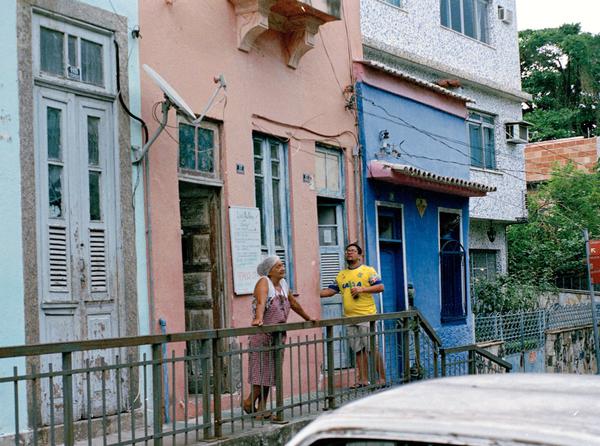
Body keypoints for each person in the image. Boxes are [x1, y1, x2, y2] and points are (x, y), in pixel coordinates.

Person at [243, 255, 314, 420]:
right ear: (269, 271)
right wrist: (258, 318)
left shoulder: (283, 284)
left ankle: (262, 409)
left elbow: (293, 303)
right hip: (263, 335)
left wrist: (308, 317)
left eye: (282, 265)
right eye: (278, 266)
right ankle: (248, 402)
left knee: (271, 373)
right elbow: (261, 302)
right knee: (261, 372)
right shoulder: (264, 282)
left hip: (278, 335)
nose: (282, 268)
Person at [320, 243, 386, 388]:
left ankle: (382, 379)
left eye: (353, 251)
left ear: (360, 255)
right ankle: (363, 380)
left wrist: (362, 289)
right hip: (349, 318)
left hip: (366, 316)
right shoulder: (341, 275)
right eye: (347, 251)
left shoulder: (368, 270)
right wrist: (311, 294)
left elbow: (380, 287)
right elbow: (331, 291)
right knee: (358, 350)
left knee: (372, 349)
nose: (349, 253)